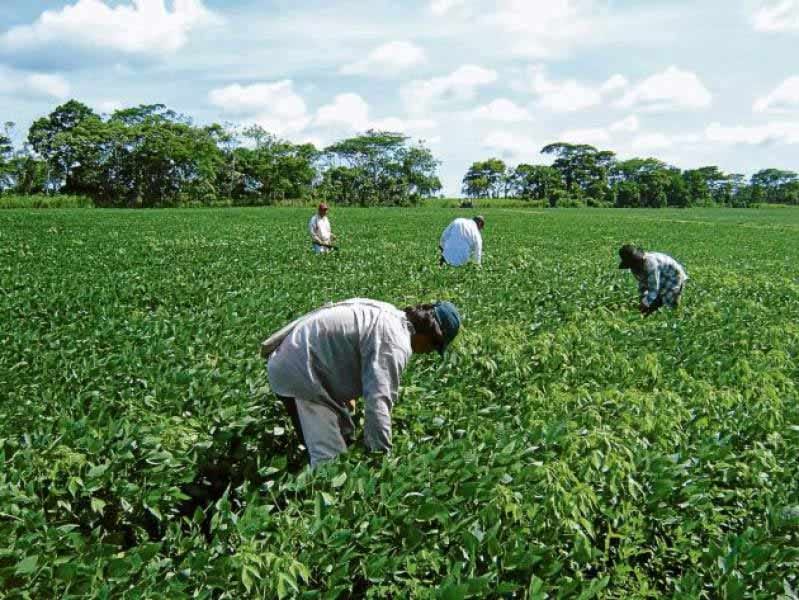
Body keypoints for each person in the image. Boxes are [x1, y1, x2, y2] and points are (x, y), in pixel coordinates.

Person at [261, 298, 461, 467]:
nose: (428, 353)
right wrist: (380, 460)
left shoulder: (390, 315)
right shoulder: (396, 342)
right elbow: (378, 401)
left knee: (344, 433)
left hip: (295, 359)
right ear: (431, 335)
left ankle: (304, 465)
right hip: (300, 372)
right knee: (330, 465)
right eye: (434, 347)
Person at [618, 245, 688, 316]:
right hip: (662, 276)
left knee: (670, 302)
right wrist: (643, 299)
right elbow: (643, 284)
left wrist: (645, 304)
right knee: (653, 302)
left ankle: (676, 315)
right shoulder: (636, 267)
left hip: (674, 276)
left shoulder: (651, 264)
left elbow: (654, 289)